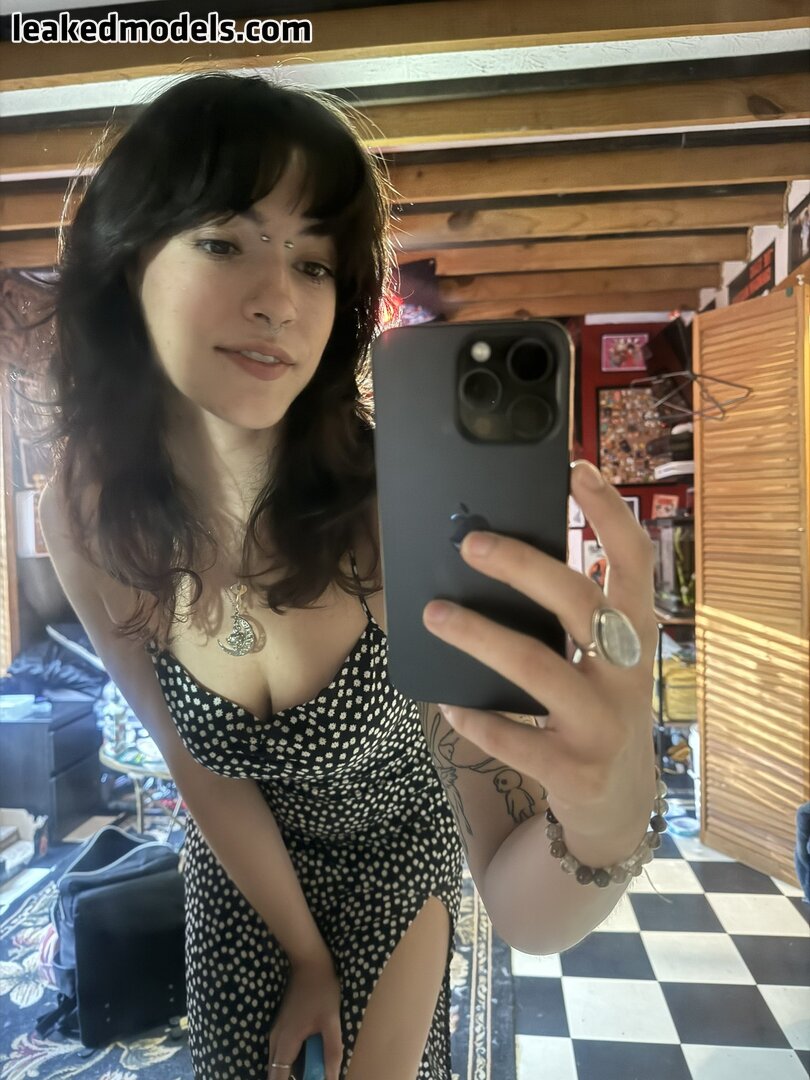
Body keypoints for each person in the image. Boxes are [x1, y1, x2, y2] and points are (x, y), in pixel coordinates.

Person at [37, 71, 664, 1080]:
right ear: (126, 261)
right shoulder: (86, 508)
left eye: (316, 260)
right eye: (224, 241)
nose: (281, 299)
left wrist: (608, 815)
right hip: (241, 873)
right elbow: (200, 764)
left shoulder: (396, 511)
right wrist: (301, 953)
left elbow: (525, 909)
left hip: (395, 861)